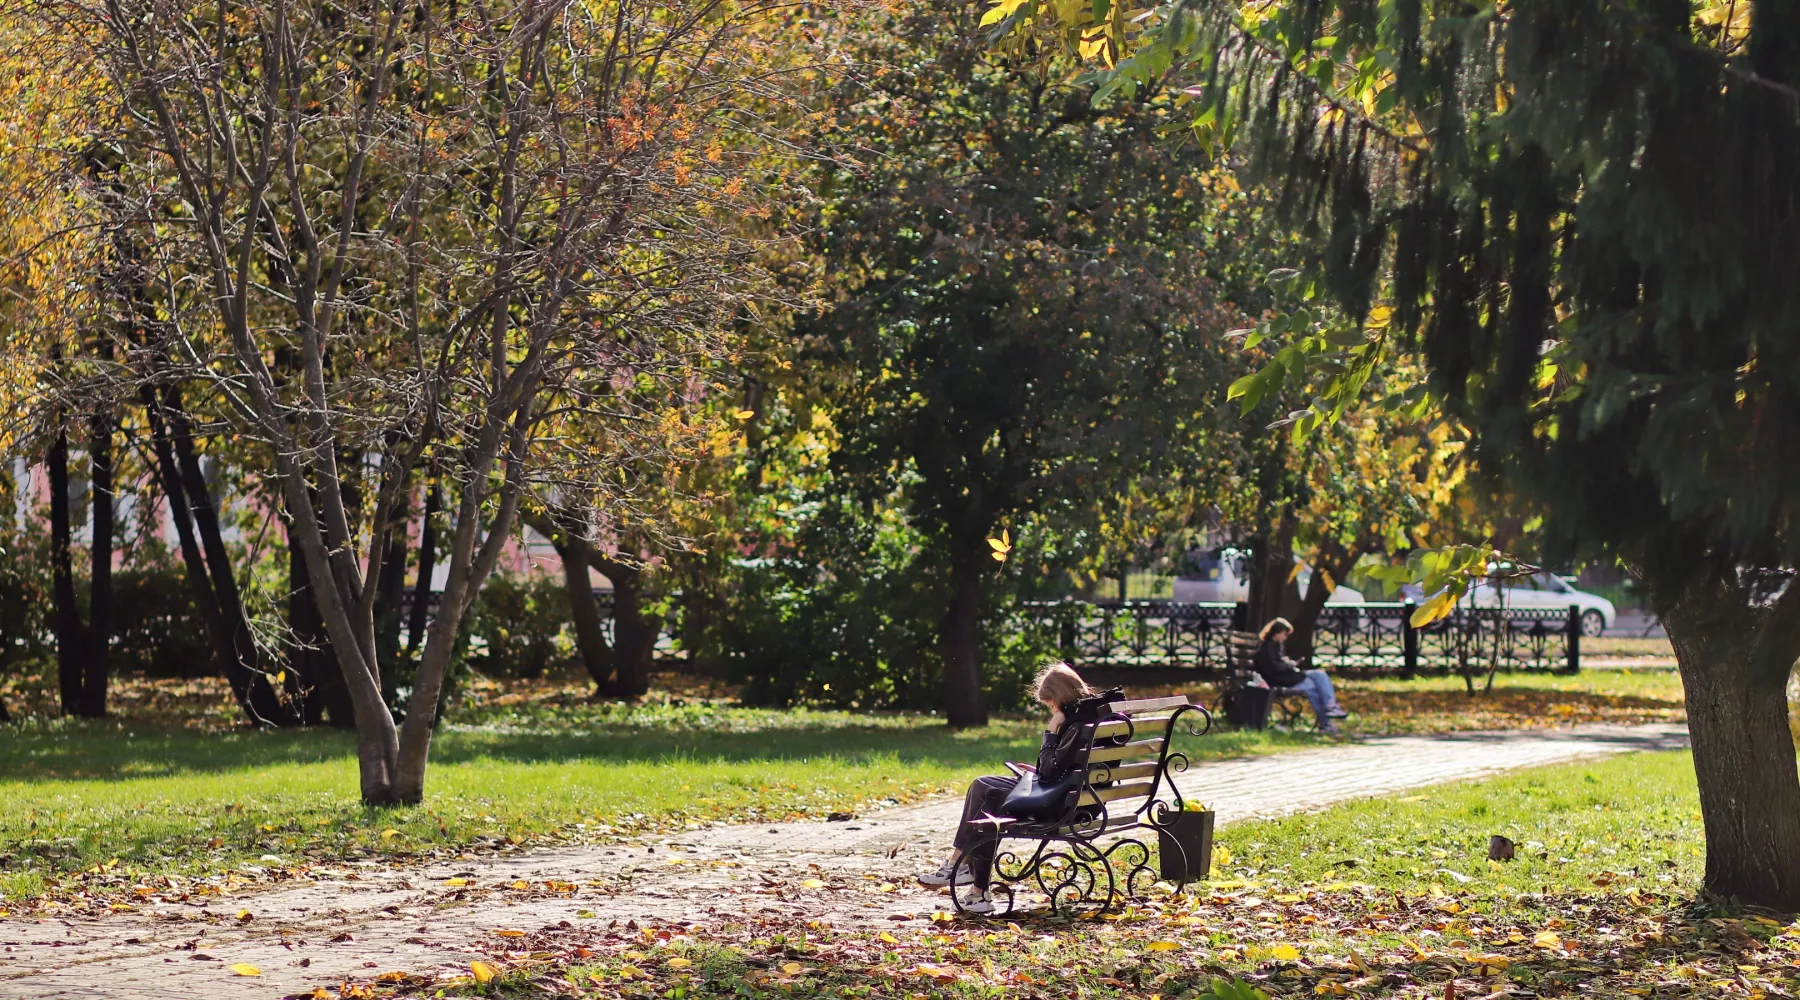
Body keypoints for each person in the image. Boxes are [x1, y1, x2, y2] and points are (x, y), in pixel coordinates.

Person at [917, 662, 1112, 913]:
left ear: (1061, 695)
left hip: (1063, 806)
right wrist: (1040, 770)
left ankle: (971, 881)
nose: (1051, 708)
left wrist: (1051, 731)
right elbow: (1061, 767)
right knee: (982, 785)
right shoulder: (1092, 714)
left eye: (1051, 703)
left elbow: (1053, 769)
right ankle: (966, 874)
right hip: (1077, 798)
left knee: (988, 796)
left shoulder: (1076, 723)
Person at [1254, 617, 1349, 733]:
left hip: (1288, 677)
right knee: (1314, 688)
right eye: (1285, 634)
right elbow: (1273, 667)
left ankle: (1331, 707)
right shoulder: (1267, 647)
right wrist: (1288, 665)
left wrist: (1288, 663)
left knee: (1319, 674)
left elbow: (1278, 663)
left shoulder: (1275, 646)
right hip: (1281, 681)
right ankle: (1327, 721)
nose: (1285, 638)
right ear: (1277, 632)